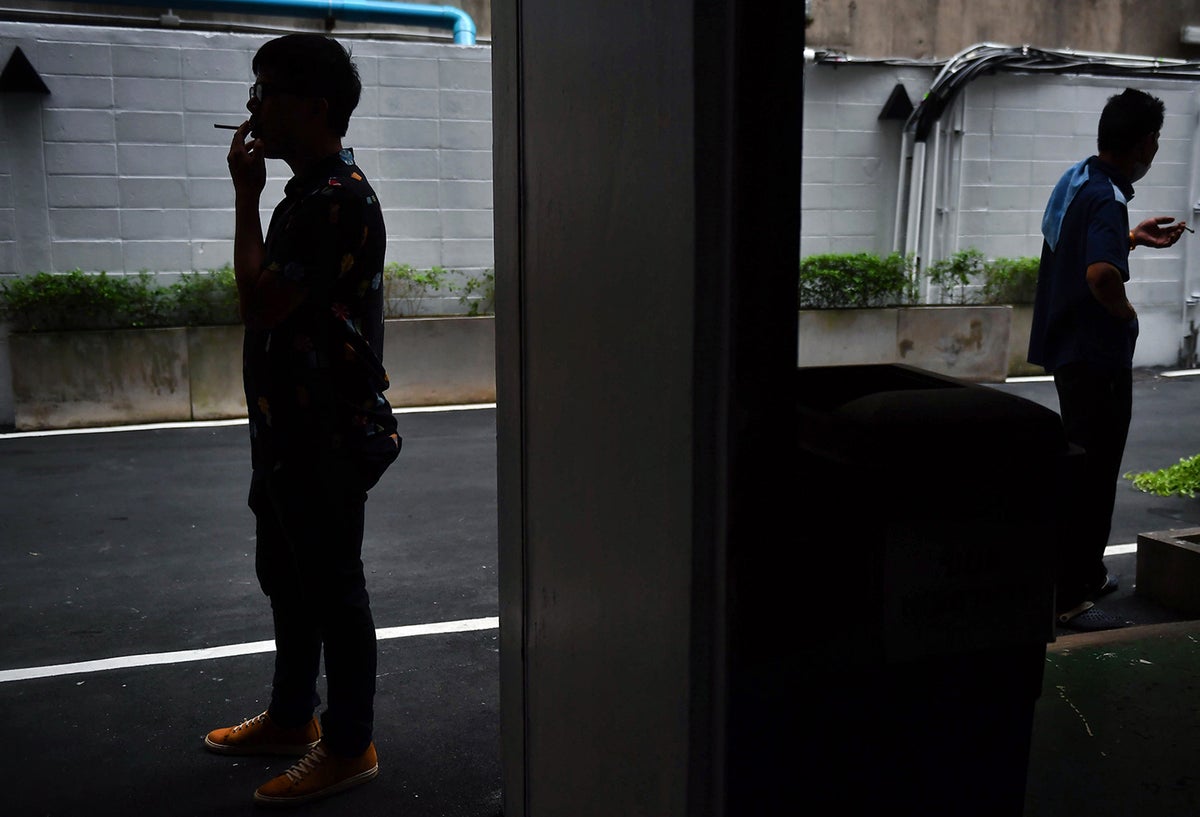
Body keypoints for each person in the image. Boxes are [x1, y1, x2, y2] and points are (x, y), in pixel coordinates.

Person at [202, 33, 401, 806]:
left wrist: (244, 195)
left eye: (266, 92)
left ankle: (349, 743)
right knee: (289, 577)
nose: (252, 107)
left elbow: (259, 305)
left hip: (325, 432)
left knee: (331, 588)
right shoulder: (311, 193)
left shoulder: (333, 199)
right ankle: (293, 719)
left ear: (314, 107)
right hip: (289, 427)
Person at [1029, 87, 1186, 632]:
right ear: (1145, 142)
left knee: (1082, 466)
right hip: (1096, 358)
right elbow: (1098, 274)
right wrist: (1125, 314)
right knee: (1092, 476)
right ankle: (1070, 598)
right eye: (1157, 140)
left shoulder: (1080, 181)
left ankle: (1086, 575)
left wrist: (1130, 241)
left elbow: (1080, 250)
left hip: (1070, 351)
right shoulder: (1109, 197)